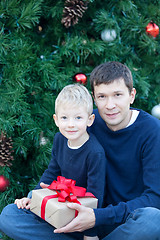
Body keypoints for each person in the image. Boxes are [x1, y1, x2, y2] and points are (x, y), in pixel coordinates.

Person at [54, 61, 160, 240]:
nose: (110, 105)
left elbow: (155, 197)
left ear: (131, 95)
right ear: (94, 98)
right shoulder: (86, 122)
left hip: (126, 222)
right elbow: (60, 165)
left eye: (117, 95)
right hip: (81, 220)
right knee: (11, 215)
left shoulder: (151, 131)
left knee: (153, 220)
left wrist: (97, 218)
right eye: (102, 97)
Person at [0, 84, 106, 240]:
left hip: (81, 214)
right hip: (59, 205)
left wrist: (90, 234)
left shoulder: (95, 152)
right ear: (56, 120)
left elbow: (96, 196)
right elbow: (52, 171)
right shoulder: (60, 139)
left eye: (78, 118)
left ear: (90, 120)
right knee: (8, 214)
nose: (71, 124)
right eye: (64, 117)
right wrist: (33, 198)